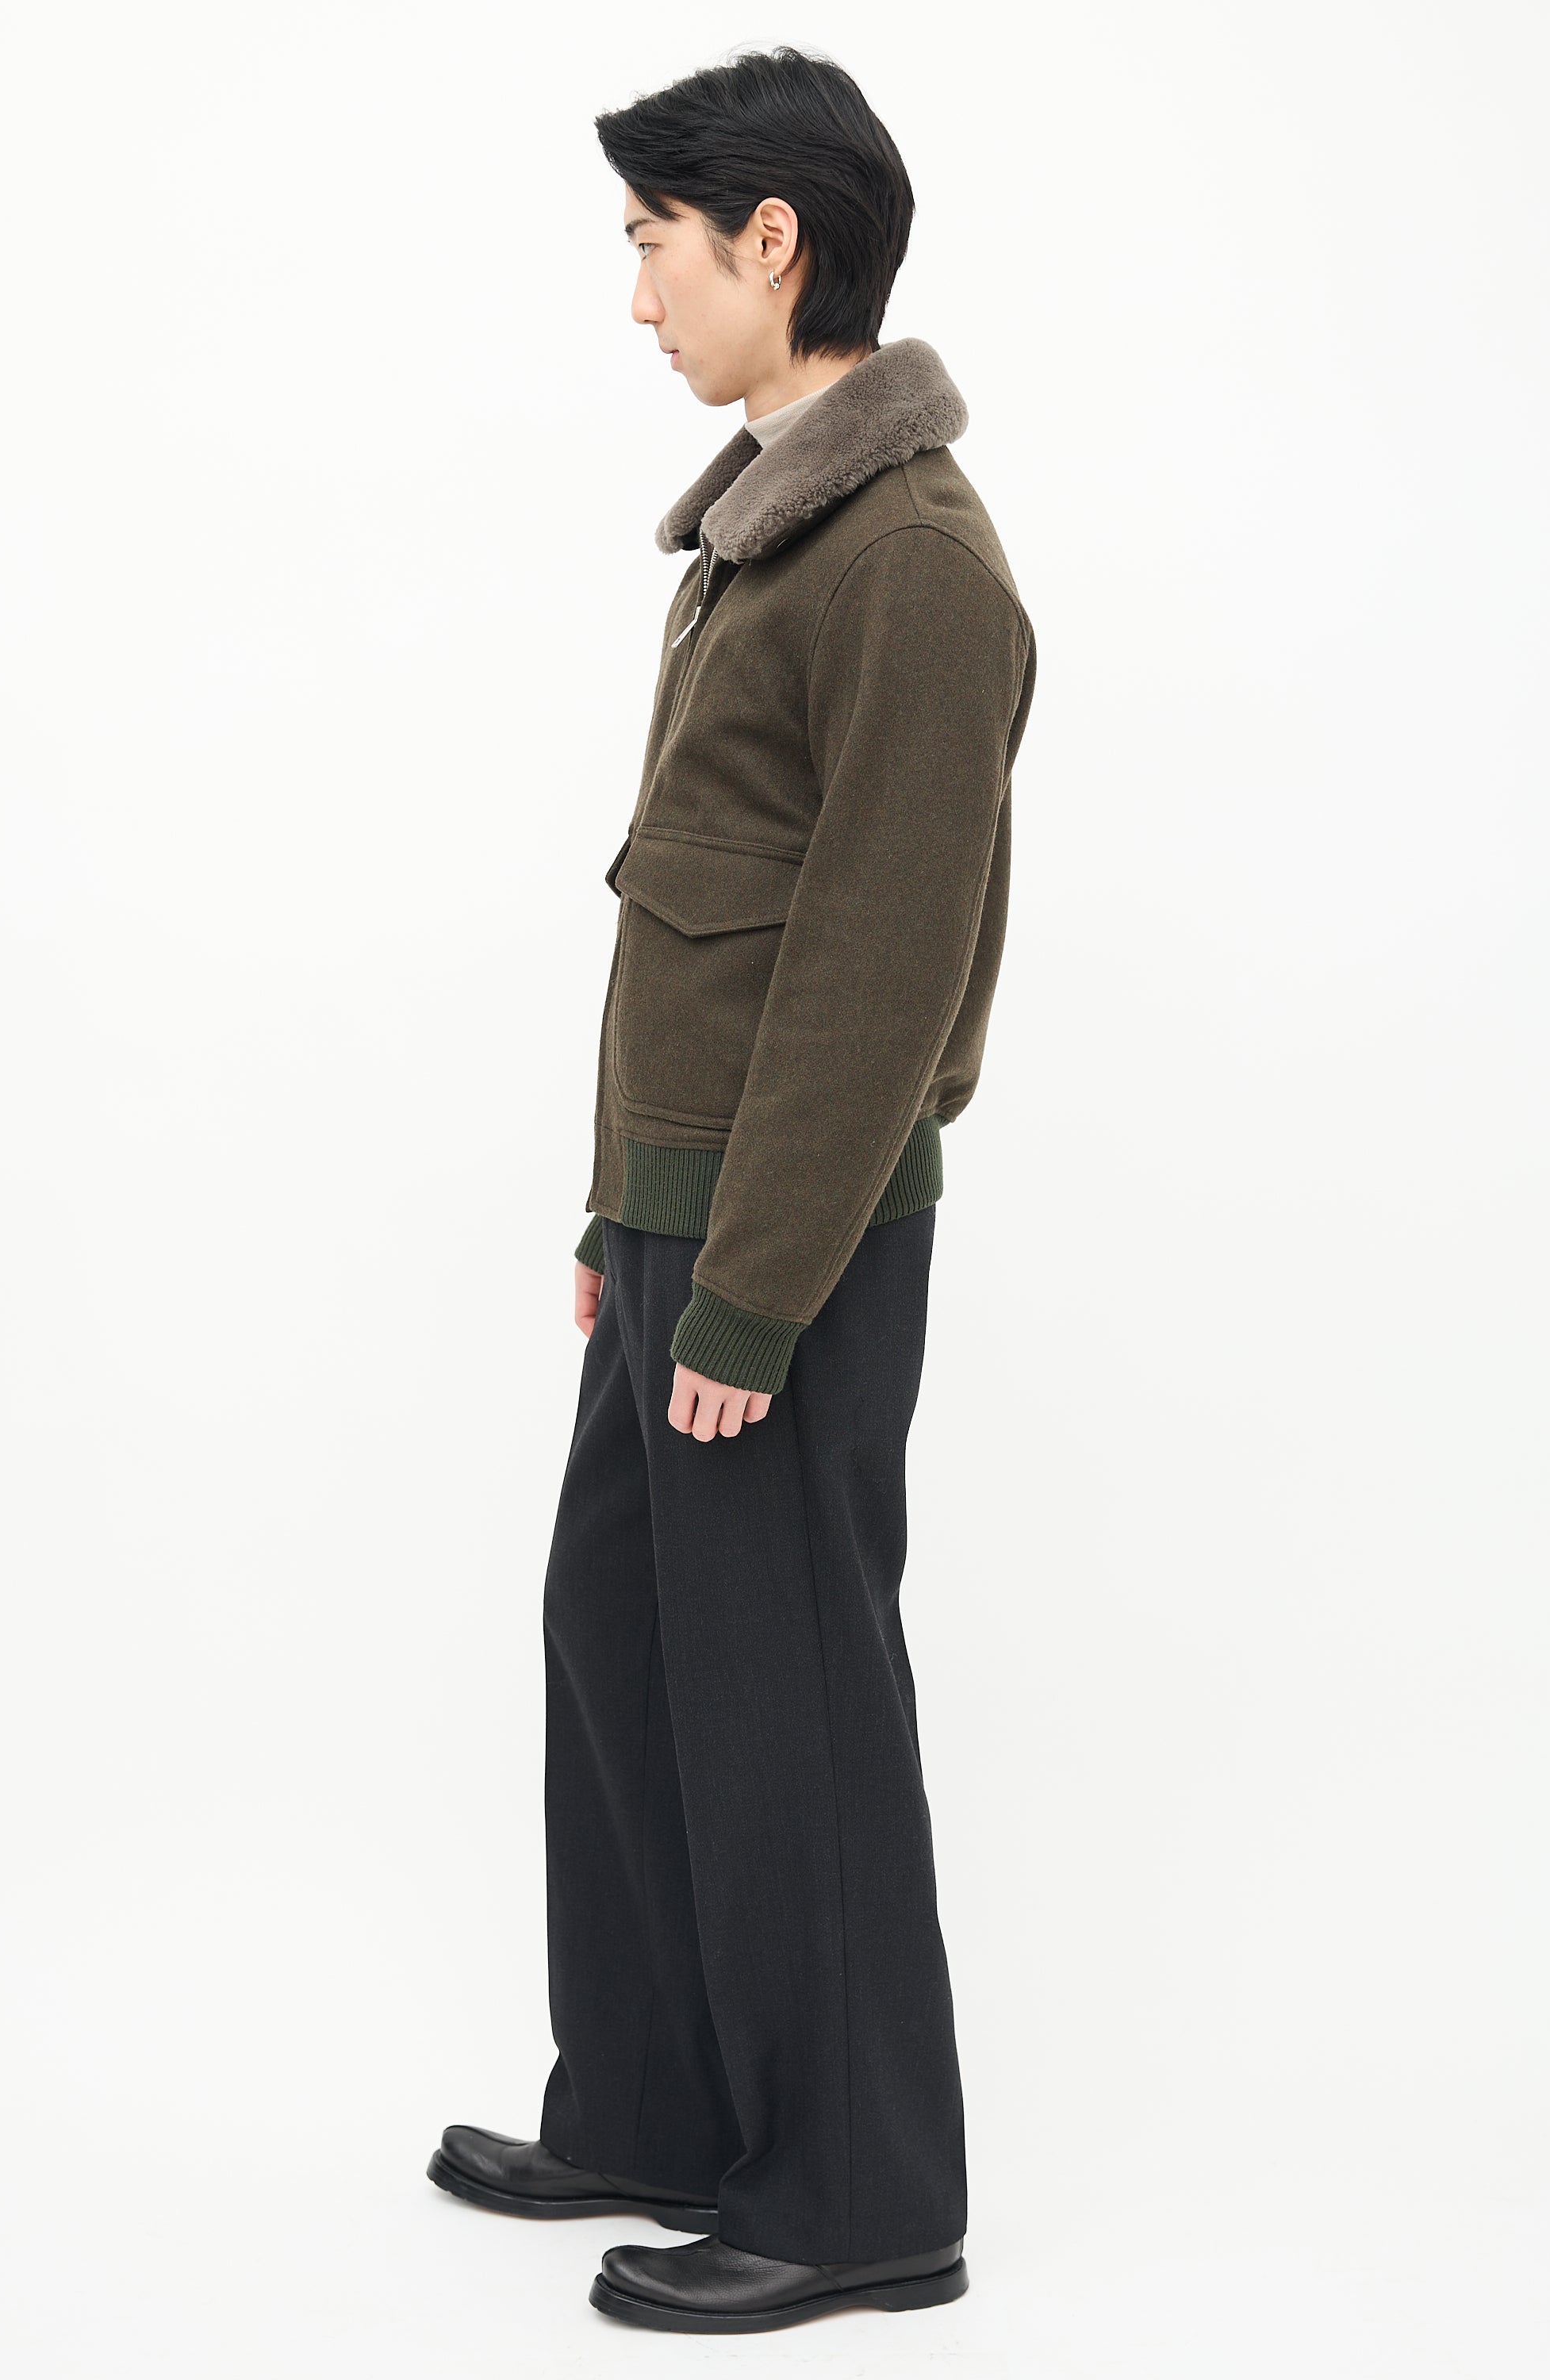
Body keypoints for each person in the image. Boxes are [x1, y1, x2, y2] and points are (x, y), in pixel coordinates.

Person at [427, 45, 1035, 2336]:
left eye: (653, 245)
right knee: (621, 1633)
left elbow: (878, 977)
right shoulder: (774, 530)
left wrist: (755, 1294)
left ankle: (864, 2196)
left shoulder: (914, 565)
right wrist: (626, 1230)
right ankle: (663, 2105)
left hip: (796, 1236)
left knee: (789, 1692)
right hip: (686, 1223)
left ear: (774, 242)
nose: (638, 296)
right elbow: (701, 920)